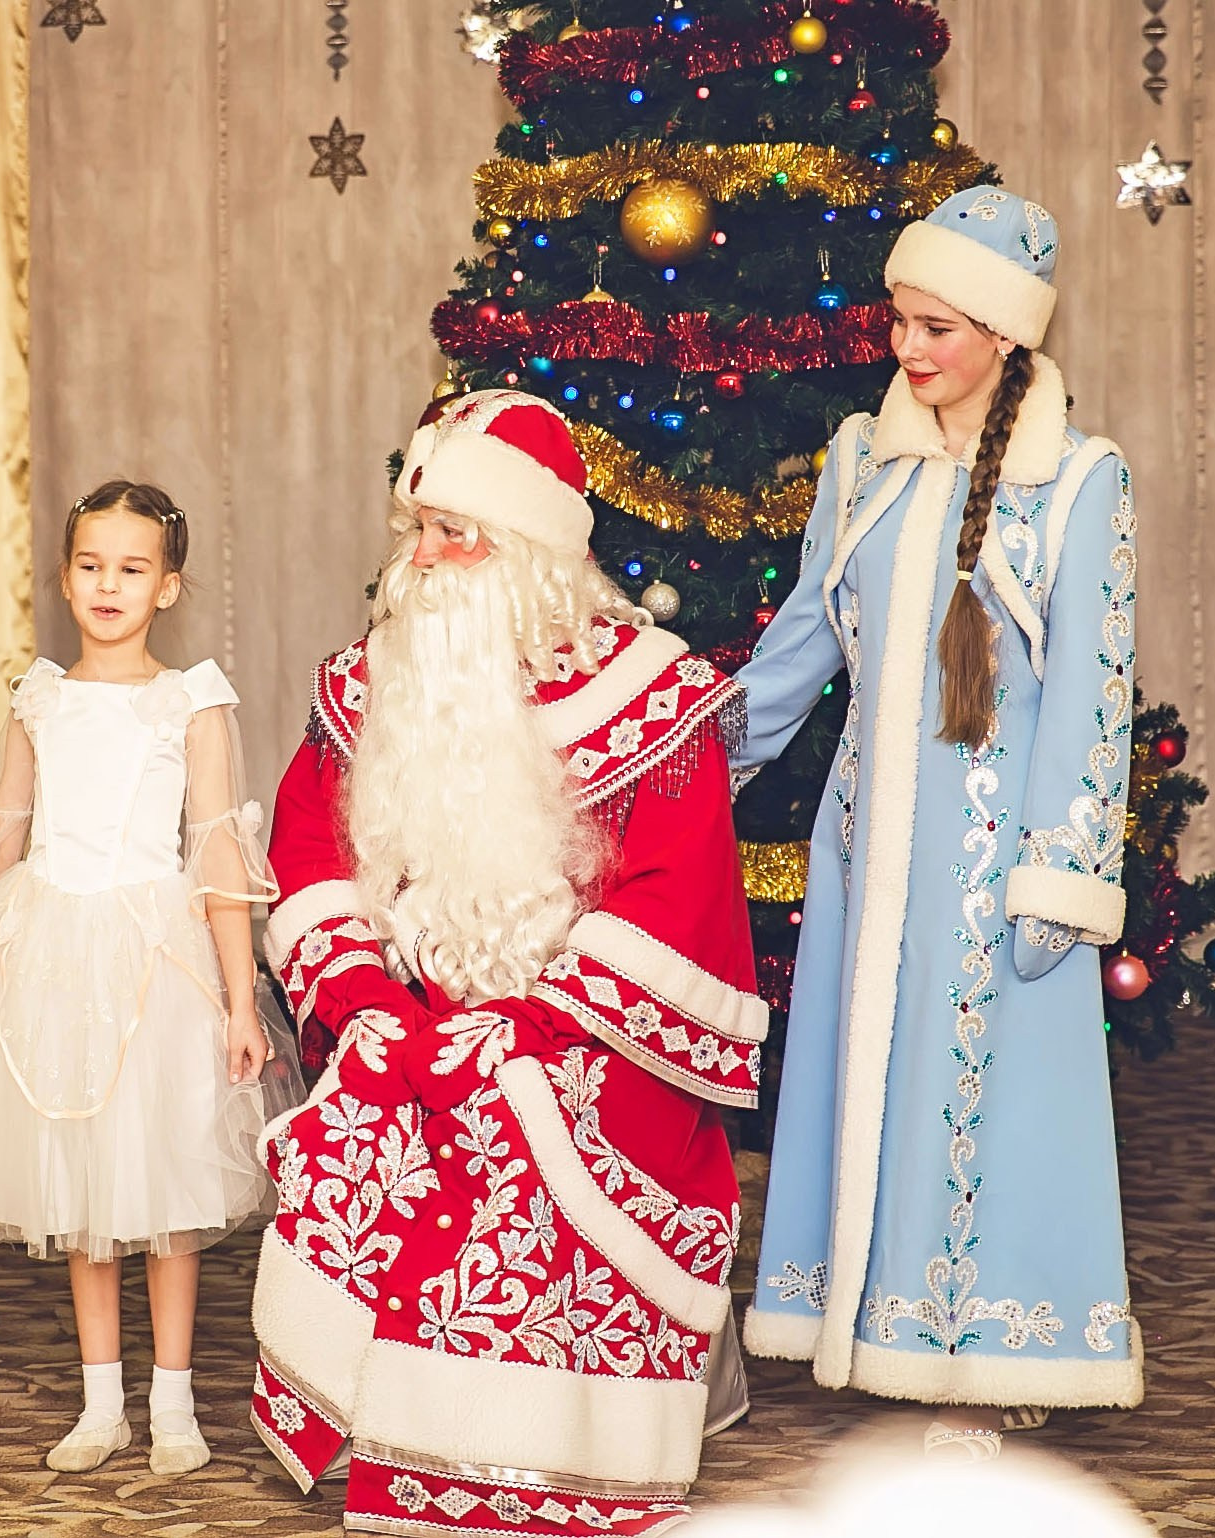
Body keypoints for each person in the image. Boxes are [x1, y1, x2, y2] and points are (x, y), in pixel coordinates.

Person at [249, 389, 761, 1535]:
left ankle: (540, 1445)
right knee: (373, 1096)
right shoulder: (371, 678)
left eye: (452, 533)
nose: (421, 561)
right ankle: (396, 1418)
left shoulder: (651, 694)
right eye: (413, 530)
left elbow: (676, 899)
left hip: (579, 1025)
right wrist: (361, 993)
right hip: (415, 1000)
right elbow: (305, 843)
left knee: (522, 1115)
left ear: (528, 548)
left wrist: (535, 1024)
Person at [734, 188, 1143, 1458]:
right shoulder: (863, 462)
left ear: (1006, 336)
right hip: (870, 857)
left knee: (986, 1102)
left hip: (994, 866)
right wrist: (671, 760)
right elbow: (800, 647)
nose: (910, 350)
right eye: (900, 321)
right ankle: (869, 1316)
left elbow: (1092, 688)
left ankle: (987, 1352)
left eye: (939, 327)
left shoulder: (1078, 480)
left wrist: (1058, 872)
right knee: (869, 1087)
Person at [0, 481, 299, 1476]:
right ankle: (100, 1397)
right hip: (52, 954)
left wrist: (240, 1001)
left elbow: (219, 857)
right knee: (81, 1188)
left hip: (154, 960)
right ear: (66, 576)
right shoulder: (39, 695)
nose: (108, 584)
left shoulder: (189, 698)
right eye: (91, 564)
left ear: (168, 584)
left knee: (164, 1188)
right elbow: (3, 838)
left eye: (132, 567)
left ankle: (175, 1404)